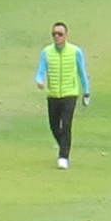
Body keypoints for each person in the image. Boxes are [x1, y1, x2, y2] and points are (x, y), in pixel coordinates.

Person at [34, 20, 94, 166]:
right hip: (53, 94)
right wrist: (39, 81)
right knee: (54, 126)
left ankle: (63, 156)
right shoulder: (47, 52)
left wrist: (86, 92)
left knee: (66, 125)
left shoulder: (75, 51)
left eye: (60, 34)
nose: (56, 37)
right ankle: (64, 146)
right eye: (54, 34)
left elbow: (82, 72)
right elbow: (41, 71)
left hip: (70, 93)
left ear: (66, 35)